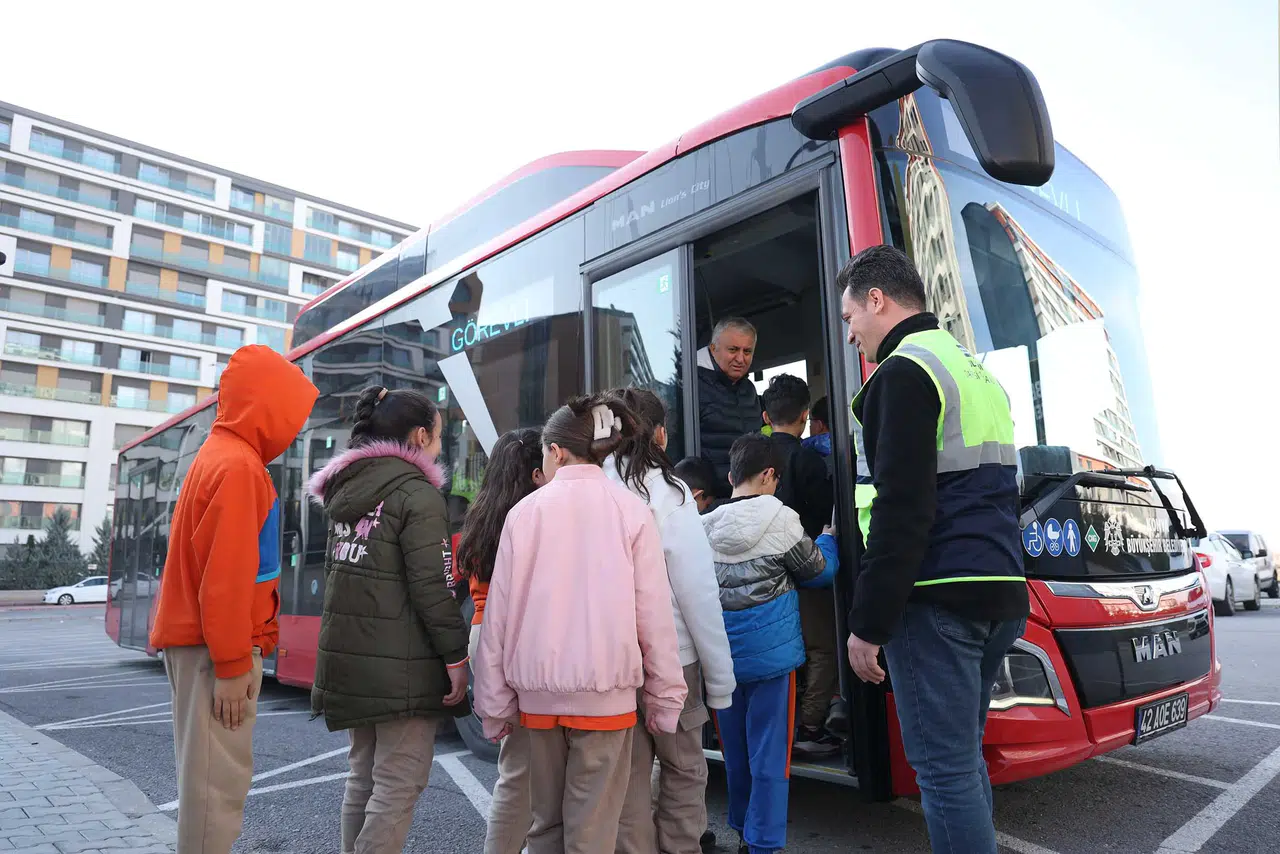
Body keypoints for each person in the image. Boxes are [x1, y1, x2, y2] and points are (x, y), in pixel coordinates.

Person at [838, 245, 1029, 854]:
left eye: (850, 318)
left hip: (937, 597)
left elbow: (901, 509)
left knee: (944, 774)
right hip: (999, 591)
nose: (850, 335)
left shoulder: (903, 373)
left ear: (877, 300)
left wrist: (868, 622)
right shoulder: (974, 372)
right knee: (963, 765)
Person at [473, 395, 688, 854]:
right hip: (607, 699)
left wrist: (493, 704)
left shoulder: (523, 513)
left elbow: (499, 620)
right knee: (592, 831)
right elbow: (654, 616)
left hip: (536, 701)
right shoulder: (632, 511)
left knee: (543, 827)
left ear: (555, 451)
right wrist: (665, 697)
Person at [149, 344, 318, 854]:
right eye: (290, 414)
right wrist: (230, 665)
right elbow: (227, 580)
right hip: (213, 650)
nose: (293, 431)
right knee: (214, 792)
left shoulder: (216, 455)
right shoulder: (242, 468)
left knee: (206, 785)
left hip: (199, 646)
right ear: (267, 406)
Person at [307, 386, 471, 854]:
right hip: (402, 665)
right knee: (400, 780)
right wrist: (456, 657)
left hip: (348, 659)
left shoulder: (347, 489)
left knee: (363, 775)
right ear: (420, 437)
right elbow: (434, 588)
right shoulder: (416, 495)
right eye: (439, 436)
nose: (441, 446)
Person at [603, 388, 736, 854]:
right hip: (672, 658)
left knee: (630, 774)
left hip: (610, 660)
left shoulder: (589, 485)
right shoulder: (670, 493)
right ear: (659, 434)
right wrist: (720, 679)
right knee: (683, 767)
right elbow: (697, 591)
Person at [702, 434, 836, 854]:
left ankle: (743, 827)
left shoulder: (703, 525)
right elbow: (818, 573)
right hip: (773, 665)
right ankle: (762, 844)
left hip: (722, 663)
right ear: (769, 476)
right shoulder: (780, 518)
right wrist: (829, 539)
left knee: (736, 753)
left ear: (730, 476)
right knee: (770, 757)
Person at [456, 428, 546, 854]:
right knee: (523, 766)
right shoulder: (531, 516)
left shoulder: (484, 512)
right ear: (533, 473)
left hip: (482, 632)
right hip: (514, 633)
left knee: (518, 762)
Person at [759, 375, 840, 758]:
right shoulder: (807, 459)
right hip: (806, 569)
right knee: (822, 648)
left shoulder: (754, 455)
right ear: (805, 416)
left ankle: (784, 721)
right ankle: (809, 726)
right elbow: (827, 513)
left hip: (764, 574)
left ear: (765, 415)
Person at [697, 318, 764, 496]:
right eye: (733, 350)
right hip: (709, 501)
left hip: (747, 496)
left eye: (747, 351)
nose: (740, 359)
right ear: (713, 348)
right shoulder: (692, 386)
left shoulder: (749, 390)